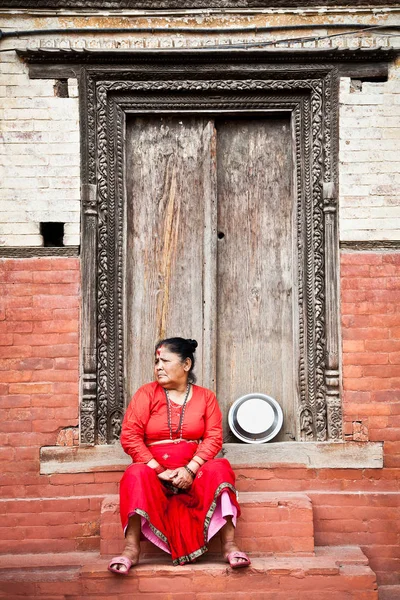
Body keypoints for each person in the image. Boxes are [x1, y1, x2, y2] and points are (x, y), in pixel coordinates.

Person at [108, 337, 251, 575]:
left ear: (186, 365)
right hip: (155, 475)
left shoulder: (206, 397)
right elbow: (130, 436)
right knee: (135, 473)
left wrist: (190, 469)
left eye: (165, 361)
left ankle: (230, 545)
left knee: (220, 468)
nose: (158, 367)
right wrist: (159, 470)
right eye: (156, 362)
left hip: (194, 474)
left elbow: (214, 437)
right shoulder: (146, 394)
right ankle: (131, 549)